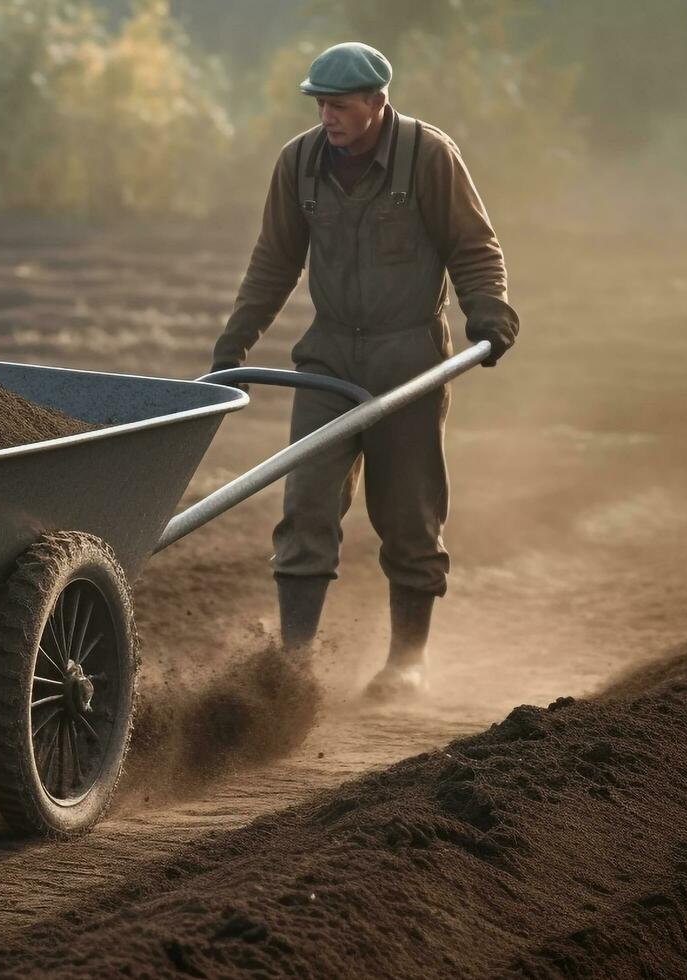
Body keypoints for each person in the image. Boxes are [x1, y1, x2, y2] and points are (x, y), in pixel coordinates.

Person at [210, 41, 518, 700]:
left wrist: (488, 314)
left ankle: (406, 662)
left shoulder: (427, 156)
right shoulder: (299, 163)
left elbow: (472, 246)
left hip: (406, 356)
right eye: (320, 104)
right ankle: (291, 669)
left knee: (407, 513)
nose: (328, 117)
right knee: (305, 506)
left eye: (340, 105)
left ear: (376, 102)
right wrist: (233, 343)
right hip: (328, 357)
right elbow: (274, 260)